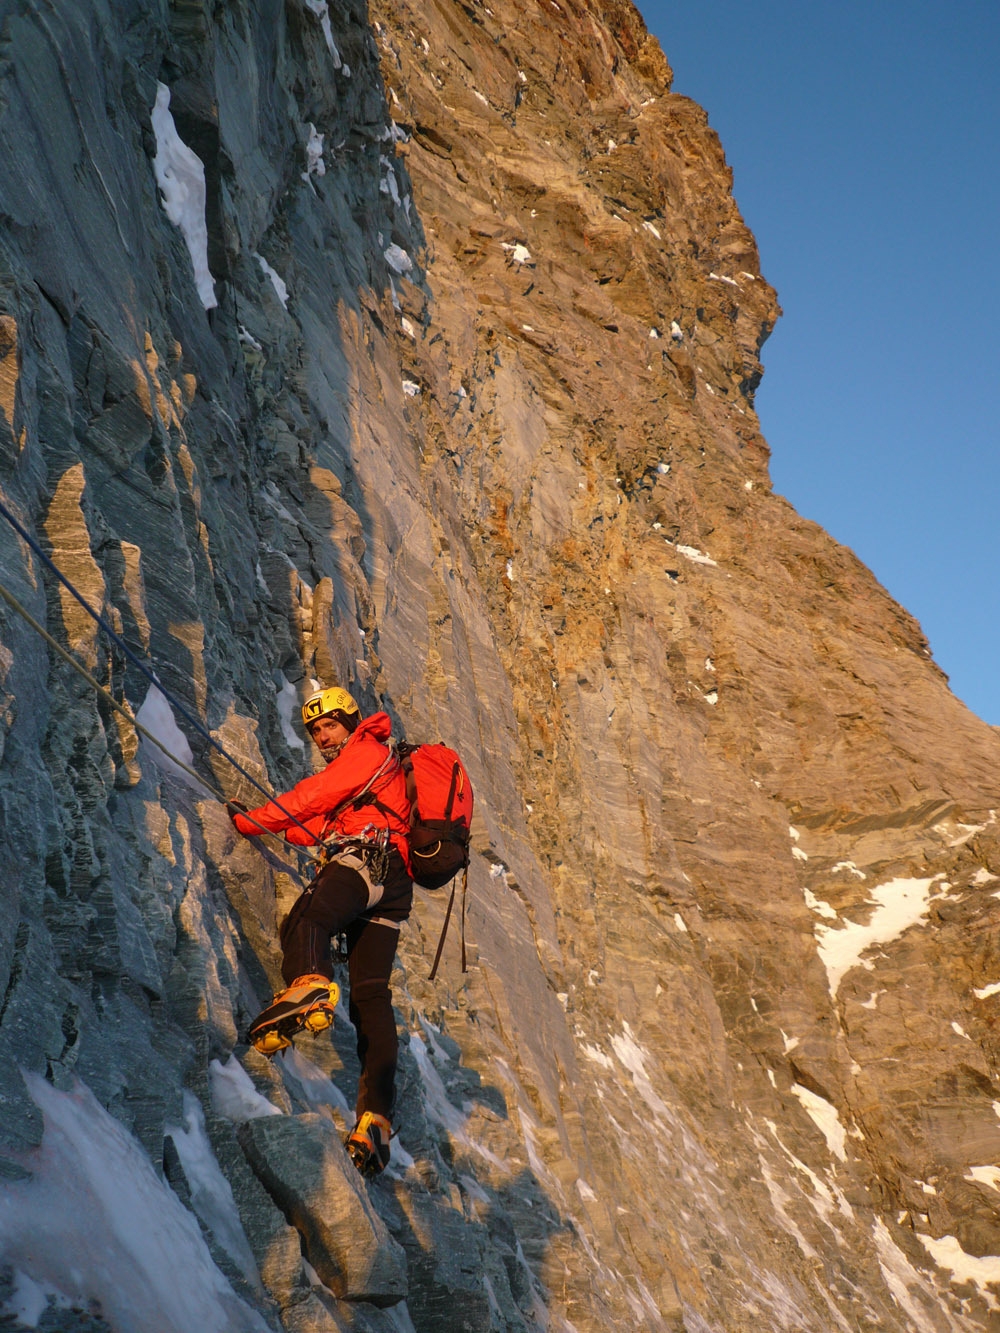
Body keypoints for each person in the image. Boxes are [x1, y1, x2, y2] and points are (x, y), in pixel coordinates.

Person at [229, 686, 413, 1176]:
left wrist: (251, 822)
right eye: (315, 730)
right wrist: (267, 823)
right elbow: (313, 827)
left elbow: (311, 798)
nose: (322, 735)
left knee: (308, 919)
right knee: (371, 997)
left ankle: (310, 983)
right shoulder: (373, 768)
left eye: (329, 724)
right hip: (393, 885)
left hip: (366, 862)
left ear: (351, 721)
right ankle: (375, 1118)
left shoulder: (365, 753)